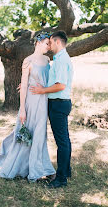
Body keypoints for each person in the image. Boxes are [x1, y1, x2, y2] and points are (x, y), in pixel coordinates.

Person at [0, 32, 56, 182]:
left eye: (49, 43)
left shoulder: (48, 60)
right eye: (46, 43)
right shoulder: (27, 61)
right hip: (30, 102)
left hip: (43, 101)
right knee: (26, 133)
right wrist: (22, 109)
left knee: (40, 135)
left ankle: (40, 168)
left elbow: (48, 80)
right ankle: (22, 166)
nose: (49, 46)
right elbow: (23, 88)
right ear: (38, 42)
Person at [30, 30, 73, 188]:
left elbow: (60, 85)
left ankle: (61, 179)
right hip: (61, 102)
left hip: (58, 103)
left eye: (51, 42)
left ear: (57, 42)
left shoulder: (61, 60)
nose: (49, 45)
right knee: (65, 140)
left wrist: (42, 91)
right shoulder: (60, 58)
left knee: (62, 142)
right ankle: (66, 170)